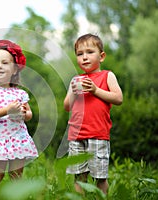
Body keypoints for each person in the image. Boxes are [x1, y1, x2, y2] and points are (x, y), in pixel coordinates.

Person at [63, 33, 123, 195]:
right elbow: (67, 106)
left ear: (101, 56)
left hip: (98, 134)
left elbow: (118, 98)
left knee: (100, 176)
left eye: (90, 52)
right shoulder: (75, 80)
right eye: (80, 54)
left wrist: (95, 90)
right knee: (79, 176)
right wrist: (74, 93)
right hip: (76, 135)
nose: (84, 57)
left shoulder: (107, 76)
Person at [0, 39, 38, 198]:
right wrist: (8, 110)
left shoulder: (19, 93)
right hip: (0, 140)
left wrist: (25, 113)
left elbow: (29, 115)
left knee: (16, 176)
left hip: (18, 139)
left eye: (5, 62)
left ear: (14, 70)